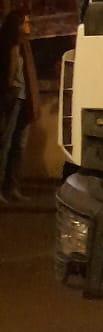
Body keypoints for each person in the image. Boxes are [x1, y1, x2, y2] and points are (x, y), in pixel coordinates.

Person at [0, 10, 38, 204]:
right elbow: (8, 73)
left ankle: (12, 186)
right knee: (5, 144)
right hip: (11, 97)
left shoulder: (24, 46)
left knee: (18, 145)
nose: (28, 26)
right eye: (25, 22)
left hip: (23, 98)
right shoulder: (8, 45)